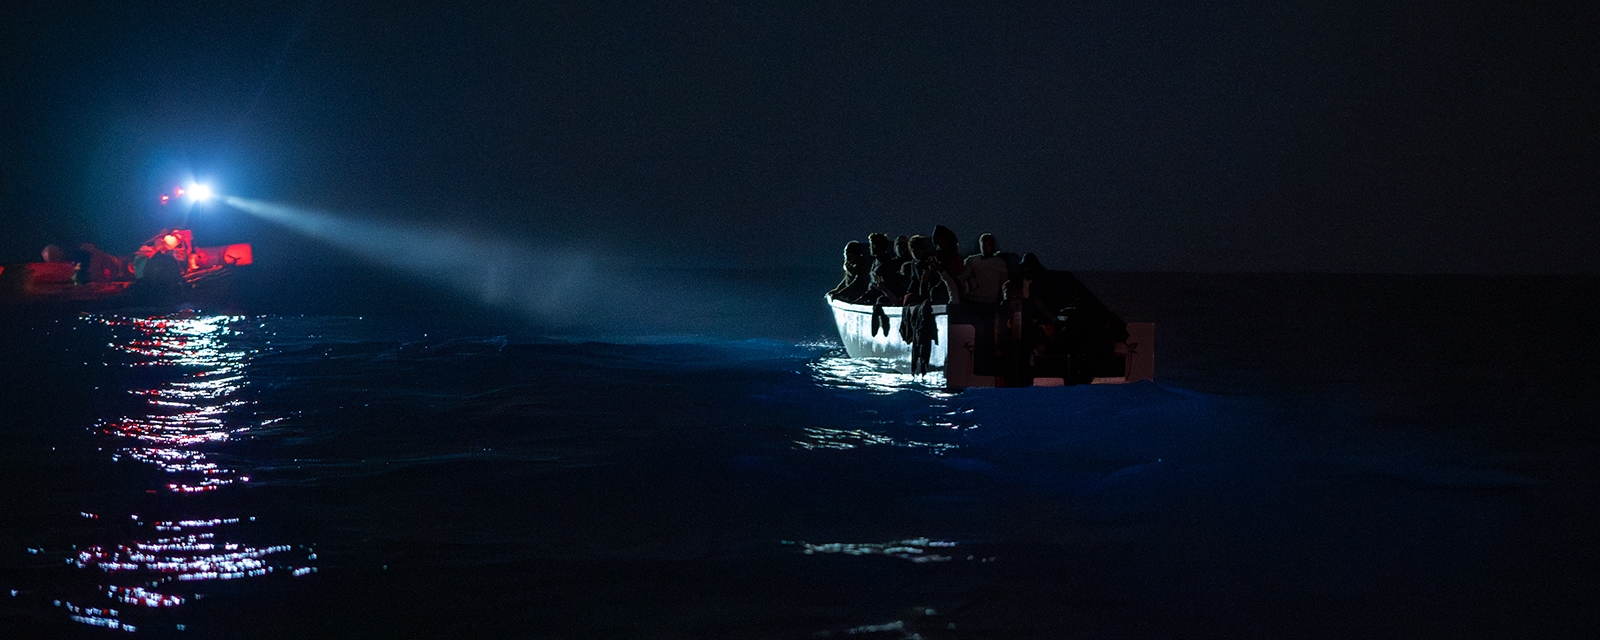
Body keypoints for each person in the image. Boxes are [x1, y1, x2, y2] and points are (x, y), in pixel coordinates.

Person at [959, 233, 1009, 307]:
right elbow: (962, 278)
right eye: (983, 245)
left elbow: (1004, 283)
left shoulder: (1000, 263)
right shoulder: (972, 260)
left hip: (991, 303)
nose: (985, 248)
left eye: (988, 245)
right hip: (974, 300)